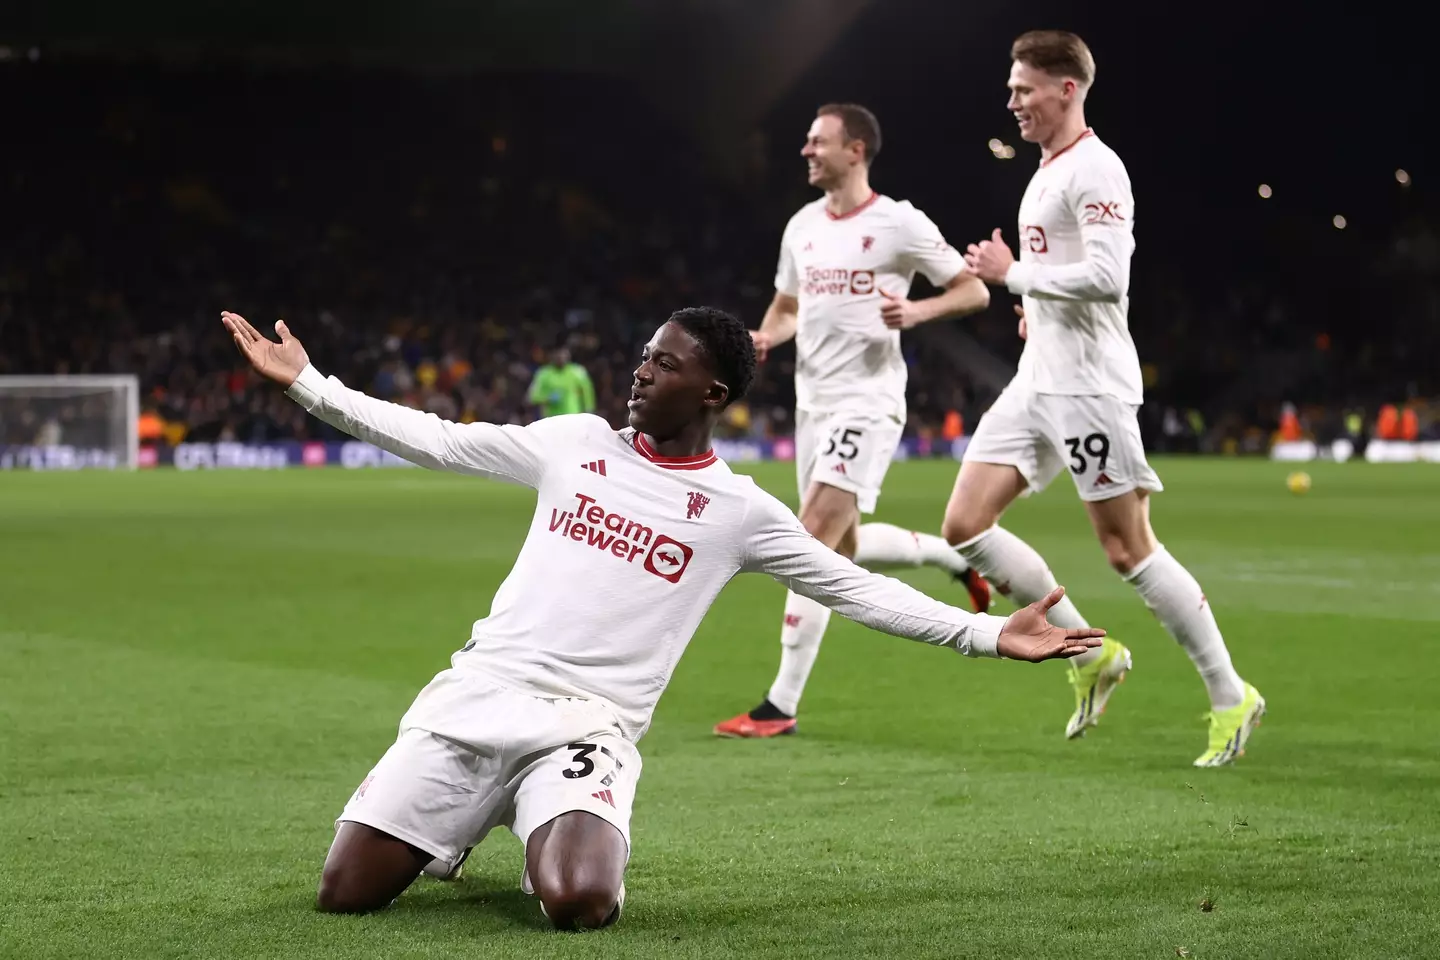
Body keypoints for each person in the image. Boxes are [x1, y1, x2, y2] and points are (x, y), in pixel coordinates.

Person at [219, 306, 1105, 930]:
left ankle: (540, 821)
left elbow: (851, 584)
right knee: (345, 895)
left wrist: (987, 634)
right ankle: (468, 820)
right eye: (644, 356)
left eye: (665, 362)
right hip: (479, 694)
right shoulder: (573, 444)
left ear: (713, 389)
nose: (641, 370)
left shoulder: (738, 511)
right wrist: (312, 387)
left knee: (577, 905)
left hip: (586, 729)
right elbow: (441, 438)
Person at [948, 30, 1264, 767]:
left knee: (1127, 547)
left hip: (1088, 386)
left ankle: (1230, 694)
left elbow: (1109, 276)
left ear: (1067, 88)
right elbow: (1070, 278)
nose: (1012, 101)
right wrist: (1037, 306)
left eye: (1024, 89)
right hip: (1039, 377)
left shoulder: (1097, 169)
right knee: (965, 522)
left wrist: (1014, 276)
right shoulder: (1047, 170)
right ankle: (1089, 654)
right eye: (1010, 88)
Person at [714, 103, 996, 739]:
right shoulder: (802, 226)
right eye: (807, 141)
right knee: (841, 547)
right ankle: (948, 555)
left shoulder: (898, 223)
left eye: (819, 142)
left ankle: (779, 705)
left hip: (867, 403)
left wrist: (917, 313)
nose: (807, 151)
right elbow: (788, 305)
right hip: (812, 402)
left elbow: (972, 290)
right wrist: (766, 336)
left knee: (808, 538)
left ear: (856, 150)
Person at [528, 342, 596, 419]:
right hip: (551, 419)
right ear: (552, 355)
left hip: (573, 417)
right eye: (558, 354)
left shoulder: (578, 372)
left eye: (563, 353)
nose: (560, 356)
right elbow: (532, 397)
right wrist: (547, 398)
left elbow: (587, 392)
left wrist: (589, 411)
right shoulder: (543, 374)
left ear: (568, 355)